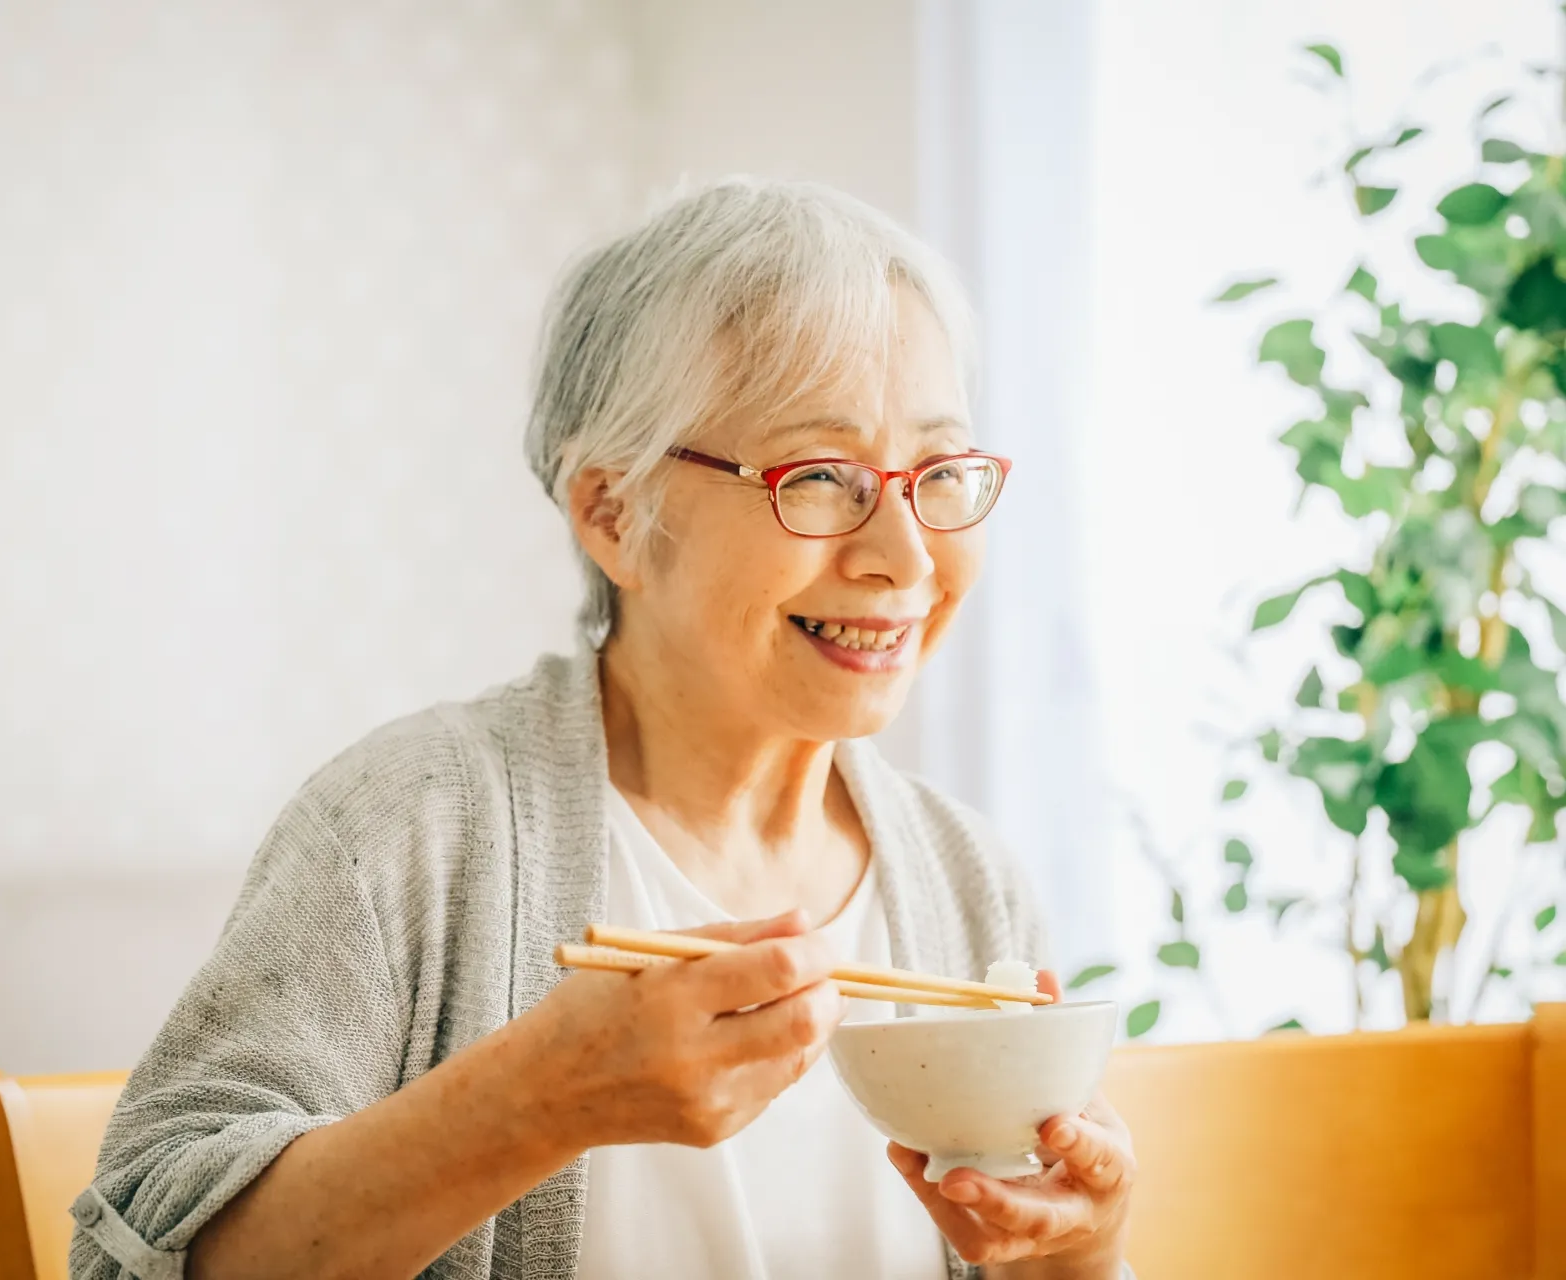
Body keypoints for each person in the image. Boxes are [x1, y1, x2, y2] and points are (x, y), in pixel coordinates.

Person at [70, 178, 1136, 1280]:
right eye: (821, 477)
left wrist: (1081, 1252)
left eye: (939, 473)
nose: (907, 557)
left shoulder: (965, 880)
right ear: (614, 511)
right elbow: (127, 1261)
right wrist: (533, 1102)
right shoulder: (409, 829)